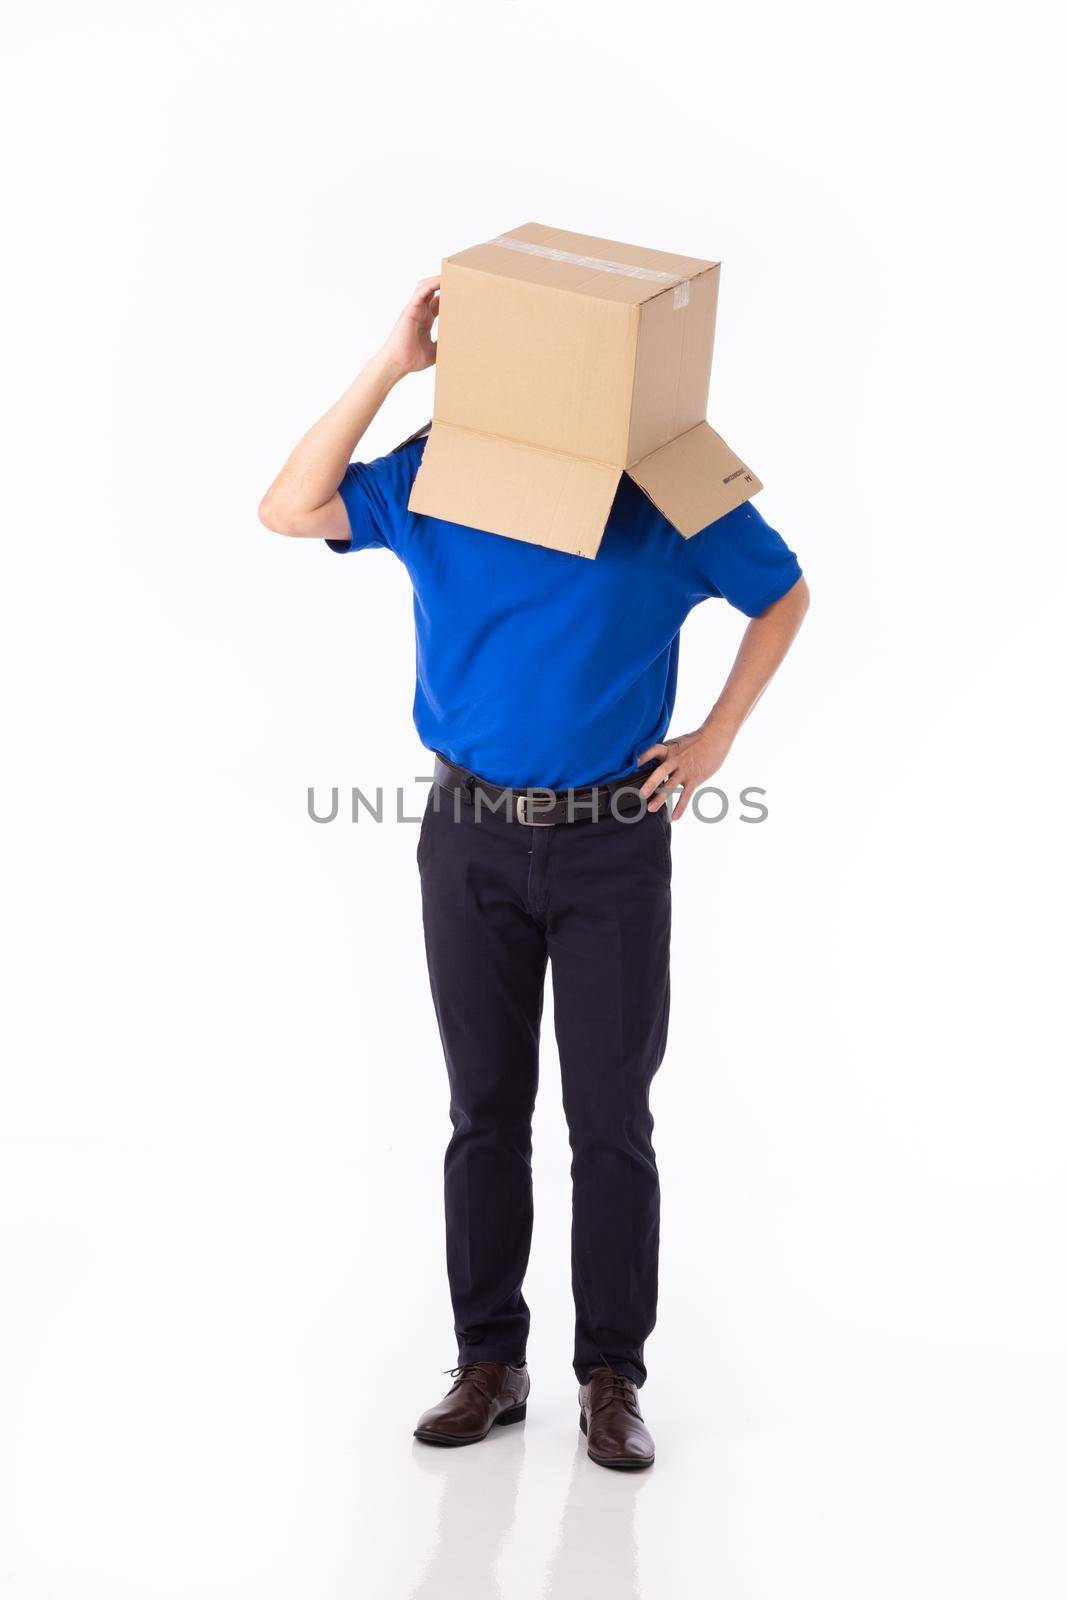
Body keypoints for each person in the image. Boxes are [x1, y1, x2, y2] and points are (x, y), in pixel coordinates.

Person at [259, 276, 809, 1470]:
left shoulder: (664, 495)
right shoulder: (436, 479)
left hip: (613, 838)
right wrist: (391, 363)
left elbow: (783, 594)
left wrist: (717, 735)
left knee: (610, 1120)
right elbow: (288, 508)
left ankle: (610, 1374)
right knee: (483, 1113)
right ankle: (487, 1360)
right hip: (467, 838)